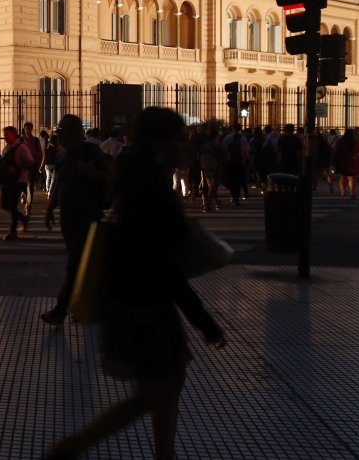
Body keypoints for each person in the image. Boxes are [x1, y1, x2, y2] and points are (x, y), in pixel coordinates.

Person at [44, 107, 225, 460]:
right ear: (162, 143)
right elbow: (164, 264)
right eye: (179, 138)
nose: (185, 146)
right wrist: (203, 320)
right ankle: (74, 447)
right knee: (156, 391)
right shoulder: (150, 188)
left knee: (166, 386)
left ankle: (162, 454)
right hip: (144, 306)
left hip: (138, 301)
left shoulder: (138, 177)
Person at [41, 114, 112, 326]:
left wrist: (90, 171)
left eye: (62, 133)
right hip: (69, 219)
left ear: (75, 133)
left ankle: (61, 311)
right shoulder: (64, 156)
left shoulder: (91, 152)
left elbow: (110, 175)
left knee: (75, 266)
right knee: (85, 266)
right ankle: (89, 307)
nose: (59, 138)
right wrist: (50, 208)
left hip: (88, 218)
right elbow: (61, 185)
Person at [0, 126, 34, 241]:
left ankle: (13, 231)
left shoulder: (21, 147)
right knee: (4, 204)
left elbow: (30, 162)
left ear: (13, 135)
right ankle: (23, 219)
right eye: (4, 135)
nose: (5, 137)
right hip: (8, 180)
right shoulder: (7, 147)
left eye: (7, 135)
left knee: (12, 205)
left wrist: (17, 168)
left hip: (18, 180)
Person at [197, 128, 226, 212]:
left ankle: (217, 202)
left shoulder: (204, 146)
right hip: (216, 169)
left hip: (205, 169)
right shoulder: (218, 146)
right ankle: (206, 206)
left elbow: (198, 157)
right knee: (212, 188)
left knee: (211, 187)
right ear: (216, 136)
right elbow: (226, 156)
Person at [333, 128, 359, 198]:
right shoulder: (355, 141)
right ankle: (352, 192)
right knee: (352, 177)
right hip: (351, 161)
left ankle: (343, 192)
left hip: (342, 161)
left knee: (343, 176)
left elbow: (336, 151)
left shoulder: (340, 141)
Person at [21, 122, 44, 214]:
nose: (28, 131)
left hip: (32, 164)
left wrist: (36, 158)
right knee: (22, 184)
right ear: (24, 129)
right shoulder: (21, 140)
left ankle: (29, 206)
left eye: (30, 129)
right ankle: (24, 195)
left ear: (32, 129)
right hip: (22, 165)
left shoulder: (35, 140)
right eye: (27, 129)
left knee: (30, 185)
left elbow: (40, 153)